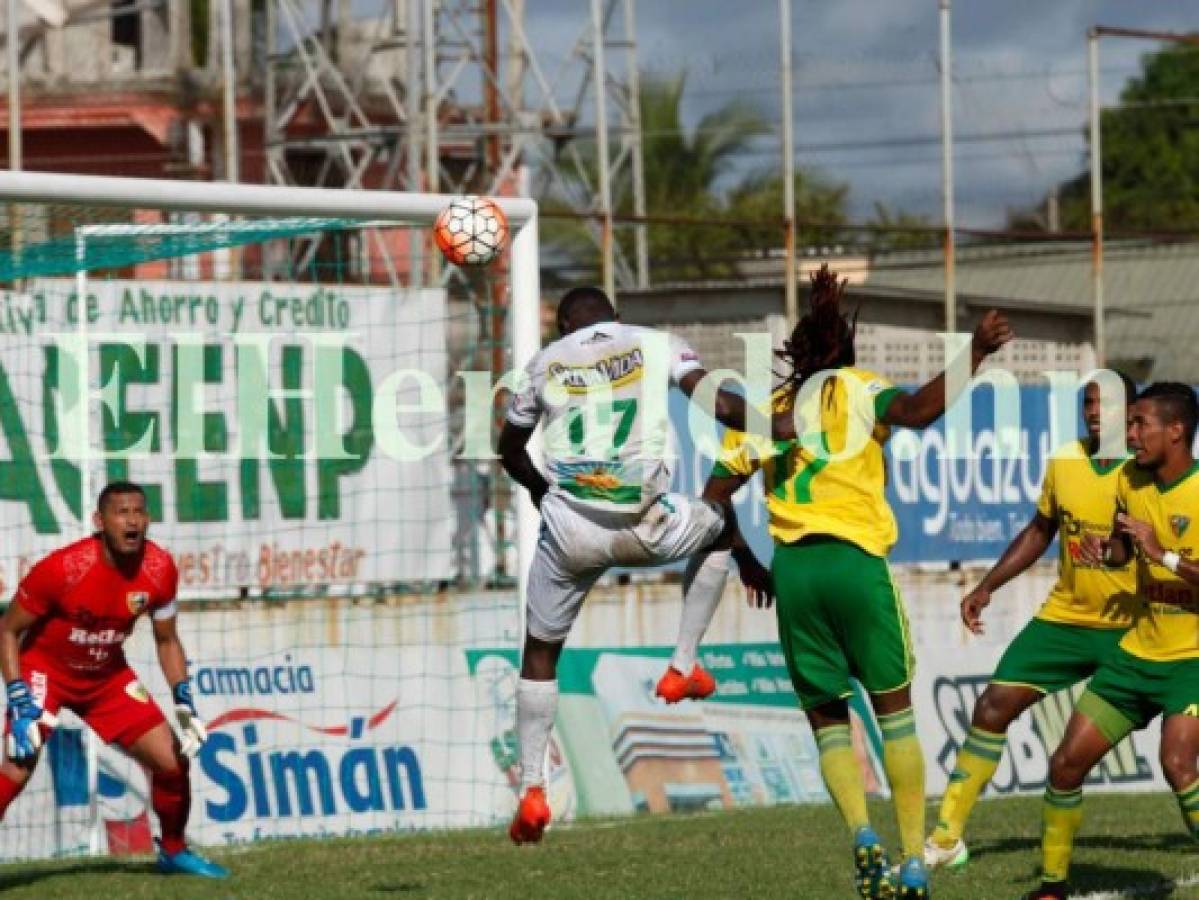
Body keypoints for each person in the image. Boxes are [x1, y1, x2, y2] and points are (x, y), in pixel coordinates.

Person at [710, 265, 1012, 899]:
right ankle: (910, 859)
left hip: (795, 572)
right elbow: (919, 411)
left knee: (827, 721)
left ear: (795, 355)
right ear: (845, 351)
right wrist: (976, 352)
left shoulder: (773, 413)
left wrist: (745, 560)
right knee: (893, 713)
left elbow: (715, 494)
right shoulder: (860, 388)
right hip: (854, 564)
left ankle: (860, 835)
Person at [497, 286, 771, 844]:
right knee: (718, 526)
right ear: (616, 319)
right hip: (648, 523)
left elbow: (509, 448)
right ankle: (682, 665)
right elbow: (720, 406)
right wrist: (774, 423)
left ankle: (532, 790)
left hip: (570, 532)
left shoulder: (543, 363)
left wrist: (538, 490)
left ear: (560, 328)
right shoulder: (657, 343)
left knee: (540, 652)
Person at [925, 372, 1140, 869]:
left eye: (1103, 402)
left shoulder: (1144, 473)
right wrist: (987, 586)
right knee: (993, 705)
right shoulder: (1066, 459)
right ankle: (946, 836)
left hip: (1134, 629)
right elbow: (1040, 529)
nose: (1092, 411)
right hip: (1064, 621)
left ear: (1131, 414)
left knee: (1178, 749)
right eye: (1087, 402)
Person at [1024, 383, 1199, 900]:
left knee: (1177, 764)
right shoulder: (1129, 479)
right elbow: (1127, 545)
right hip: (1136, 656)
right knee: (1065, 764)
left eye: (1141, 423)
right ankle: (1052, 888)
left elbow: (1163, 554)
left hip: (1191, 661)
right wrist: (1116, 550)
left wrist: (1160, 553)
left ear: (1176, 431)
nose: (1130, 433)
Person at [0, 481, 226, 878]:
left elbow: (167, 639)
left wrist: (184, 699)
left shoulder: (159, 569)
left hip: (106, 677)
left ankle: (173, 852)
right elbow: (7, 631)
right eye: (122, 512)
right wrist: (18, 697)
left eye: (139, 511)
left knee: (172, 762)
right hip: (46, 672)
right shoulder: (64, 567)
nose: (133, 520)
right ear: (99, 521)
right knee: (19, 764)